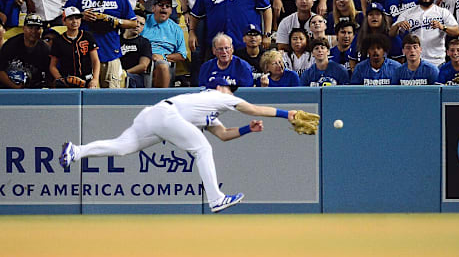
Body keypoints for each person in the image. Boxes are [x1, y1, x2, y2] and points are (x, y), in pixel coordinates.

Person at [59, 75, 303, 213]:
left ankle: (76, 151)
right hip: (167, 116)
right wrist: (286, 114)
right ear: (219, 87)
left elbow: (224, 134)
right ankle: (216, 198)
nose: (232, 92)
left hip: (153, 115)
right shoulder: (217, 96)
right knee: (202, 149)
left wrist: (246, 130)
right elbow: (254, 109)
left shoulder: (208, 109)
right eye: (231, 88)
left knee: (122, 147)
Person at [65, 0, 139, 88]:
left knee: (112, 96)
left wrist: (114, 21)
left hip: (111, 52)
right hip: (85, 55)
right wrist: (81, 16)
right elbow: (64, 17)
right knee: (89, 97)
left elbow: (133, 23)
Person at [390, 0, 459, 66]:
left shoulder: (442, 12)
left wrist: (443, 27)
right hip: (415, 61)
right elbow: (391, 33)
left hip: (437, 61)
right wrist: (397, 25)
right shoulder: (408, 13)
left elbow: (457, 31)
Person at [141, 0, 187, 88]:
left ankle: (161, 99)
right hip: (142, 58)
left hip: (163, 61)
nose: (164, 8)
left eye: (167, 6)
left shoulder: (176, 29)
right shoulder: (143, 21)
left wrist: (164, 57)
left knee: (162, 66)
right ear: (153, 8)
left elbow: (182, 55)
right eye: (161, 5)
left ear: (170, 11)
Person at [0, 13, 50, 88]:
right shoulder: (11, 45)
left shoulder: (45, 49)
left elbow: (49, 75)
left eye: (37, 28)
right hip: (9, 89)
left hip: (34, 90)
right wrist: (16, 87)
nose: (34, 31)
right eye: (30, 27)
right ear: (23, 28)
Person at [49, 7, 100, 89]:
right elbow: (52, 66)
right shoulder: (58, 40)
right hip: (67, 81)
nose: (75, 21)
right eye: (70, 19)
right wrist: (61, 80)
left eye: (77, 18)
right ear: (64, 21)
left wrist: (95, 79)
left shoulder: (87, 36)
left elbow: (95, 60)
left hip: (87, 81)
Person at [119, 14, 151, 88]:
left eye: (141, 24)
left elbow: (143, 66)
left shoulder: (144, 42)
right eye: (136, 22)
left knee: (128, 79)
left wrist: (125, 73)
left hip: (134, 77)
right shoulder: (115, 40)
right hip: (114, 73)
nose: (138, 25)